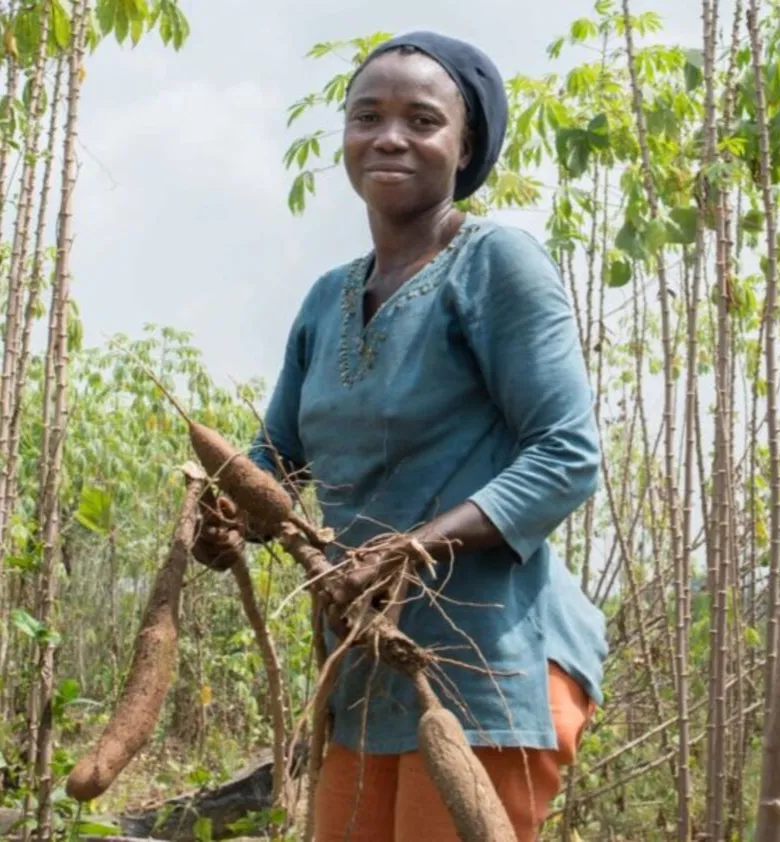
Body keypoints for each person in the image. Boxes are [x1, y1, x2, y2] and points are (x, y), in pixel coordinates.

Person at [195, 30, 608, 842]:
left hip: (487, 663)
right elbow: (275, 457)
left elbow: (567, 453)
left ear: (465, 147)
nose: (389, 137)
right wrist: (226, 518)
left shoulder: (497, 264)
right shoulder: (325, 299)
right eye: (366, 116)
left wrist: (417, 545)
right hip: (361, 666)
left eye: (422, 119)